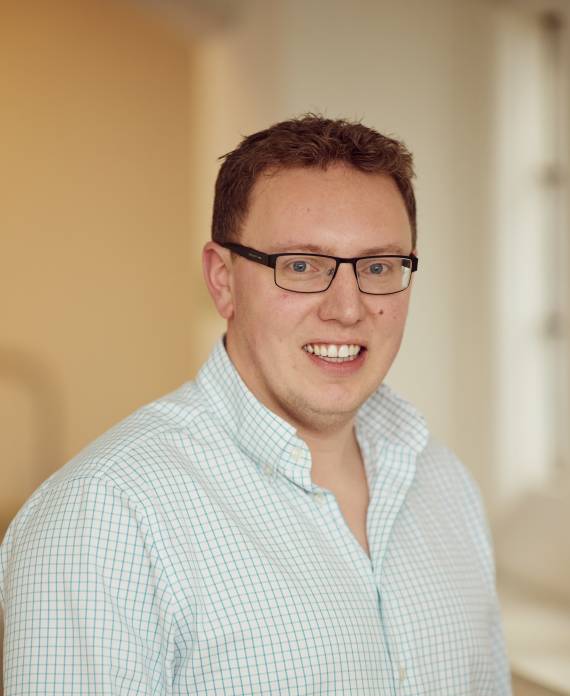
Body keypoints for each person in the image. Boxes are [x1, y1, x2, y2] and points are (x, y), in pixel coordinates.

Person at [0, 115, 511, 695]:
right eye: (301, 266)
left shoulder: (446, 485)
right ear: (222, 280)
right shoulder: (106, 515)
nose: (347, 309)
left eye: (377, 267)